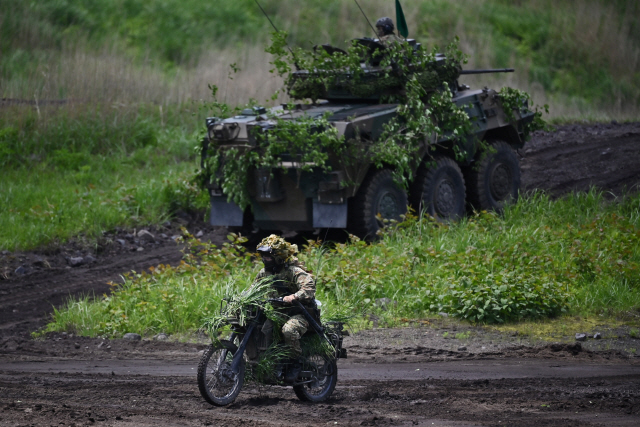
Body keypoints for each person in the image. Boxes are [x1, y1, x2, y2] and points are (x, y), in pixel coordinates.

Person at [254, 234, 316, 381]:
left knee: (288, 330)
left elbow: (309, 287)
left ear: (279, 257)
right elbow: (253, 290)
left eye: (268, 257)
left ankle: (296, 361)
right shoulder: (264, 273)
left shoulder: (293, 271)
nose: (264, 259)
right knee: (262, 329)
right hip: (277, 313)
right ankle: (271, 362)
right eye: (262, 256)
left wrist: (294, 296)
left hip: (300, 313)